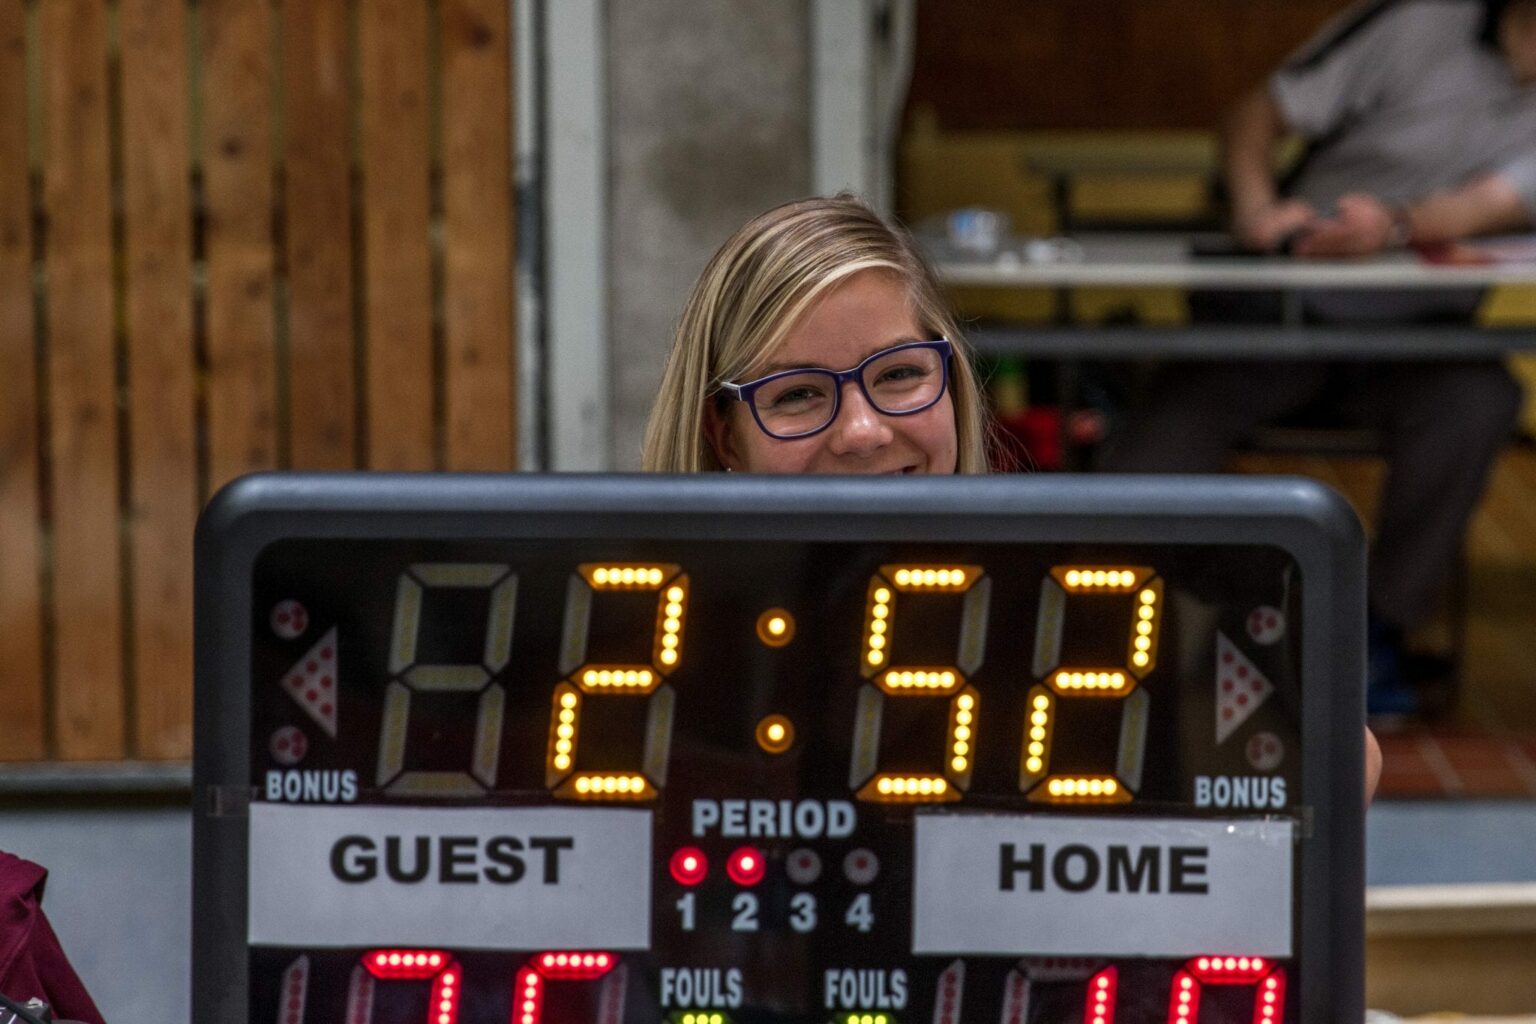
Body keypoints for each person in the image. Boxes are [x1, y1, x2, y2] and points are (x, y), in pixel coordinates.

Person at [641, 193, 1383, 801]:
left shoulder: (1082, 576)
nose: (862, 432)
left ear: (953, 377)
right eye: (798, 394)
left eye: (899, 374)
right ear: (726, 434)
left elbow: (1347, 772)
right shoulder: (654, 618)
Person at [1101, 0, 1536, 716]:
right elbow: (1253, 116)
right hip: (1282, 306)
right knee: (1172, 421)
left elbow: (1485, 208)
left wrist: (1394, 225)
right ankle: (1124, 619)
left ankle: (1377, 632)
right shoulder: (1419, 22)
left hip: (1418, 338)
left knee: (1479, 401)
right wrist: (1255, 210)